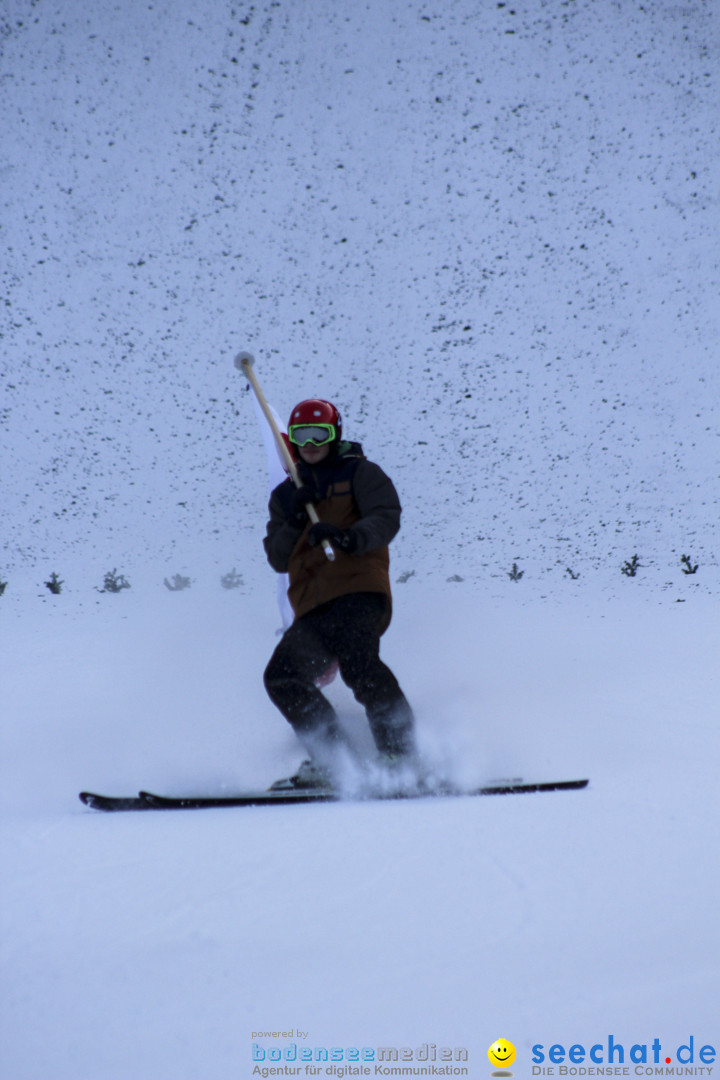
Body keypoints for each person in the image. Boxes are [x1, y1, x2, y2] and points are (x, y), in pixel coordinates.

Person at [263, 397, 417, 789]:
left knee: (359, 664)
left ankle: (402, 755)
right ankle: (336, 760)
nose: (311, 443)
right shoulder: (285, 495)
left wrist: (348, 537)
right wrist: (297, 518)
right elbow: (277, 558)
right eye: (302, 435)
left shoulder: (360, 473)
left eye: (320, 434)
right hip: (313, 606)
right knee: (281, 676)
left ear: (335, 435)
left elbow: (386, 517)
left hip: (357, 590)